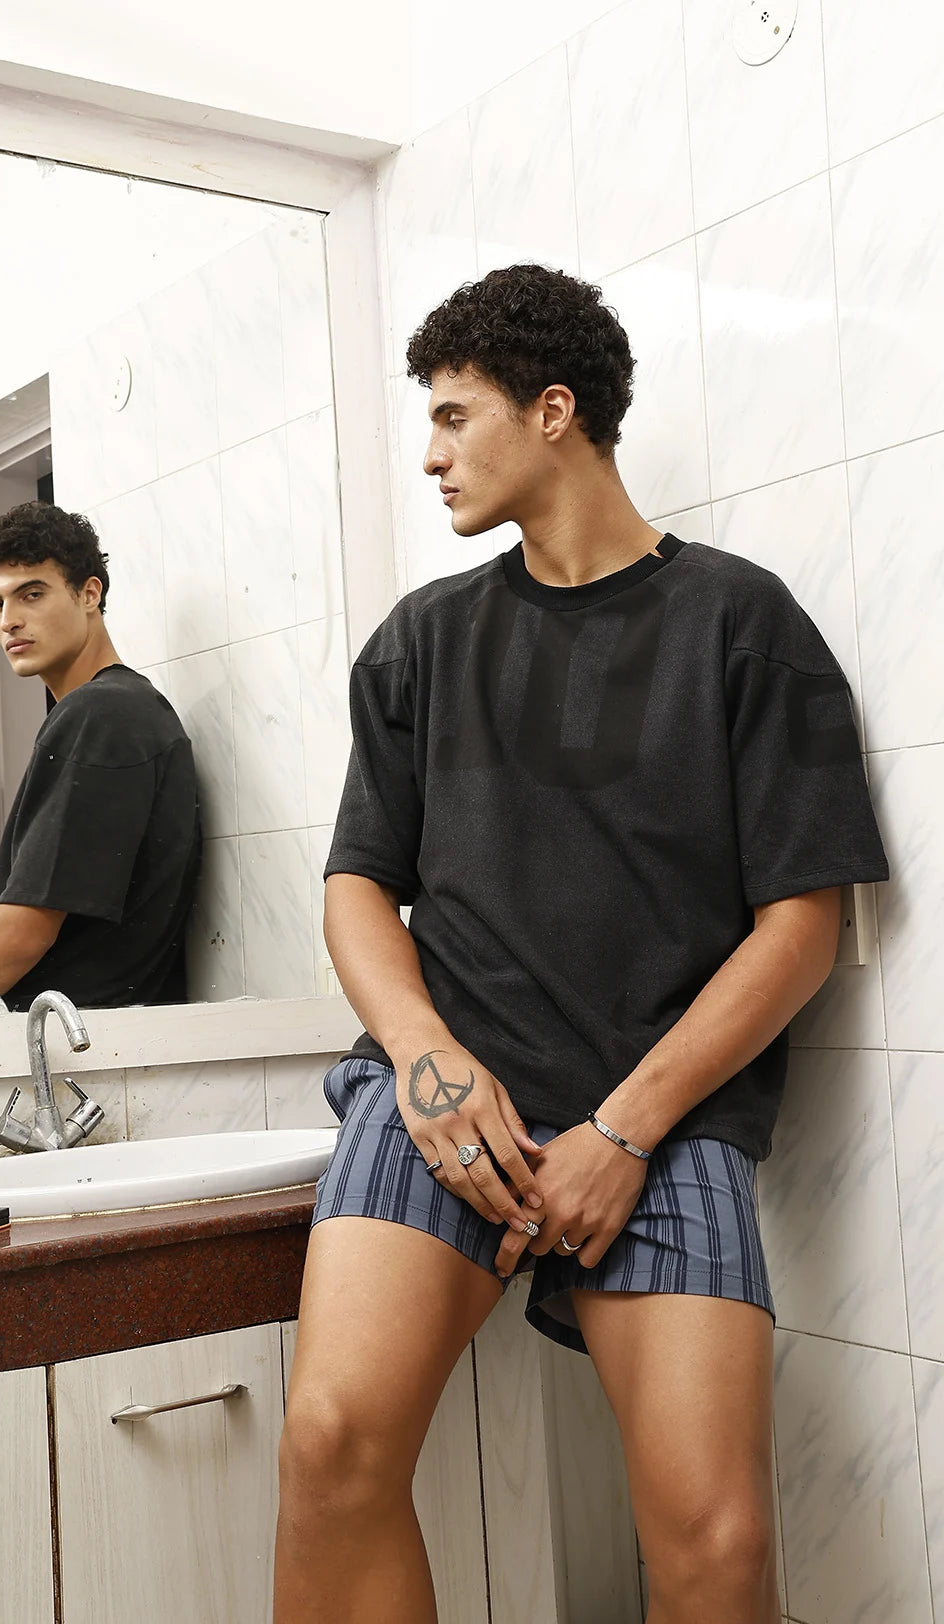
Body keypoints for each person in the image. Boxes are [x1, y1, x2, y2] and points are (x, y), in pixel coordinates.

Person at [274, 265, 889, 1624]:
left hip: (659, 1117)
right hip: (447, 1097)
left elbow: (802, 929)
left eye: (453, 416)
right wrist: (425, 1063)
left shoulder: (741, 624)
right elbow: (357, 891)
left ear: (554, 413)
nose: (429, 455)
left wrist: (626, 1128)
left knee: (719, 1542)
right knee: (329, 1442)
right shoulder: (424, 641)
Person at [0, 502, 200, 1018]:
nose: (10, 620)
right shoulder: (122, 710)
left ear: (89, 593)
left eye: (31, 594)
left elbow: (24, 929)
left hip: (77, 1049)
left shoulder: (101, 713)